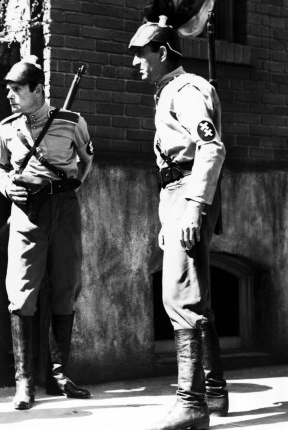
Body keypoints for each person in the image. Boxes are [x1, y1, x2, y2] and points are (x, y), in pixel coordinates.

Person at [129, 16, 228, 430]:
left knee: (180, 298)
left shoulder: (186, 90)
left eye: (142, 54)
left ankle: (191, 404)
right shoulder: (169, 90)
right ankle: (215, 392)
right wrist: (170, 214)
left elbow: (210, 147)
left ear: (163, 52)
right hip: (177, 194)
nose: (136, 62)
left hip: (188, 193)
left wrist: (192, 207)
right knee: (195, 296)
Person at [0, 57, 94, 410]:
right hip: (26, 211)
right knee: (21, 293)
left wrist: (70, 188)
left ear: (38, 90)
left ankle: (60, 375)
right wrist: (7, 187)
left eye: (17, 89)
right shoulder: (6, 128)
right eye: (8, 89)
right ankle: (24, 383)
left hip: (64, 209)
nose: (10, 95)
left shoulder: (72, 122)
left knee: (66, 287)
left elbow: (86, 160)